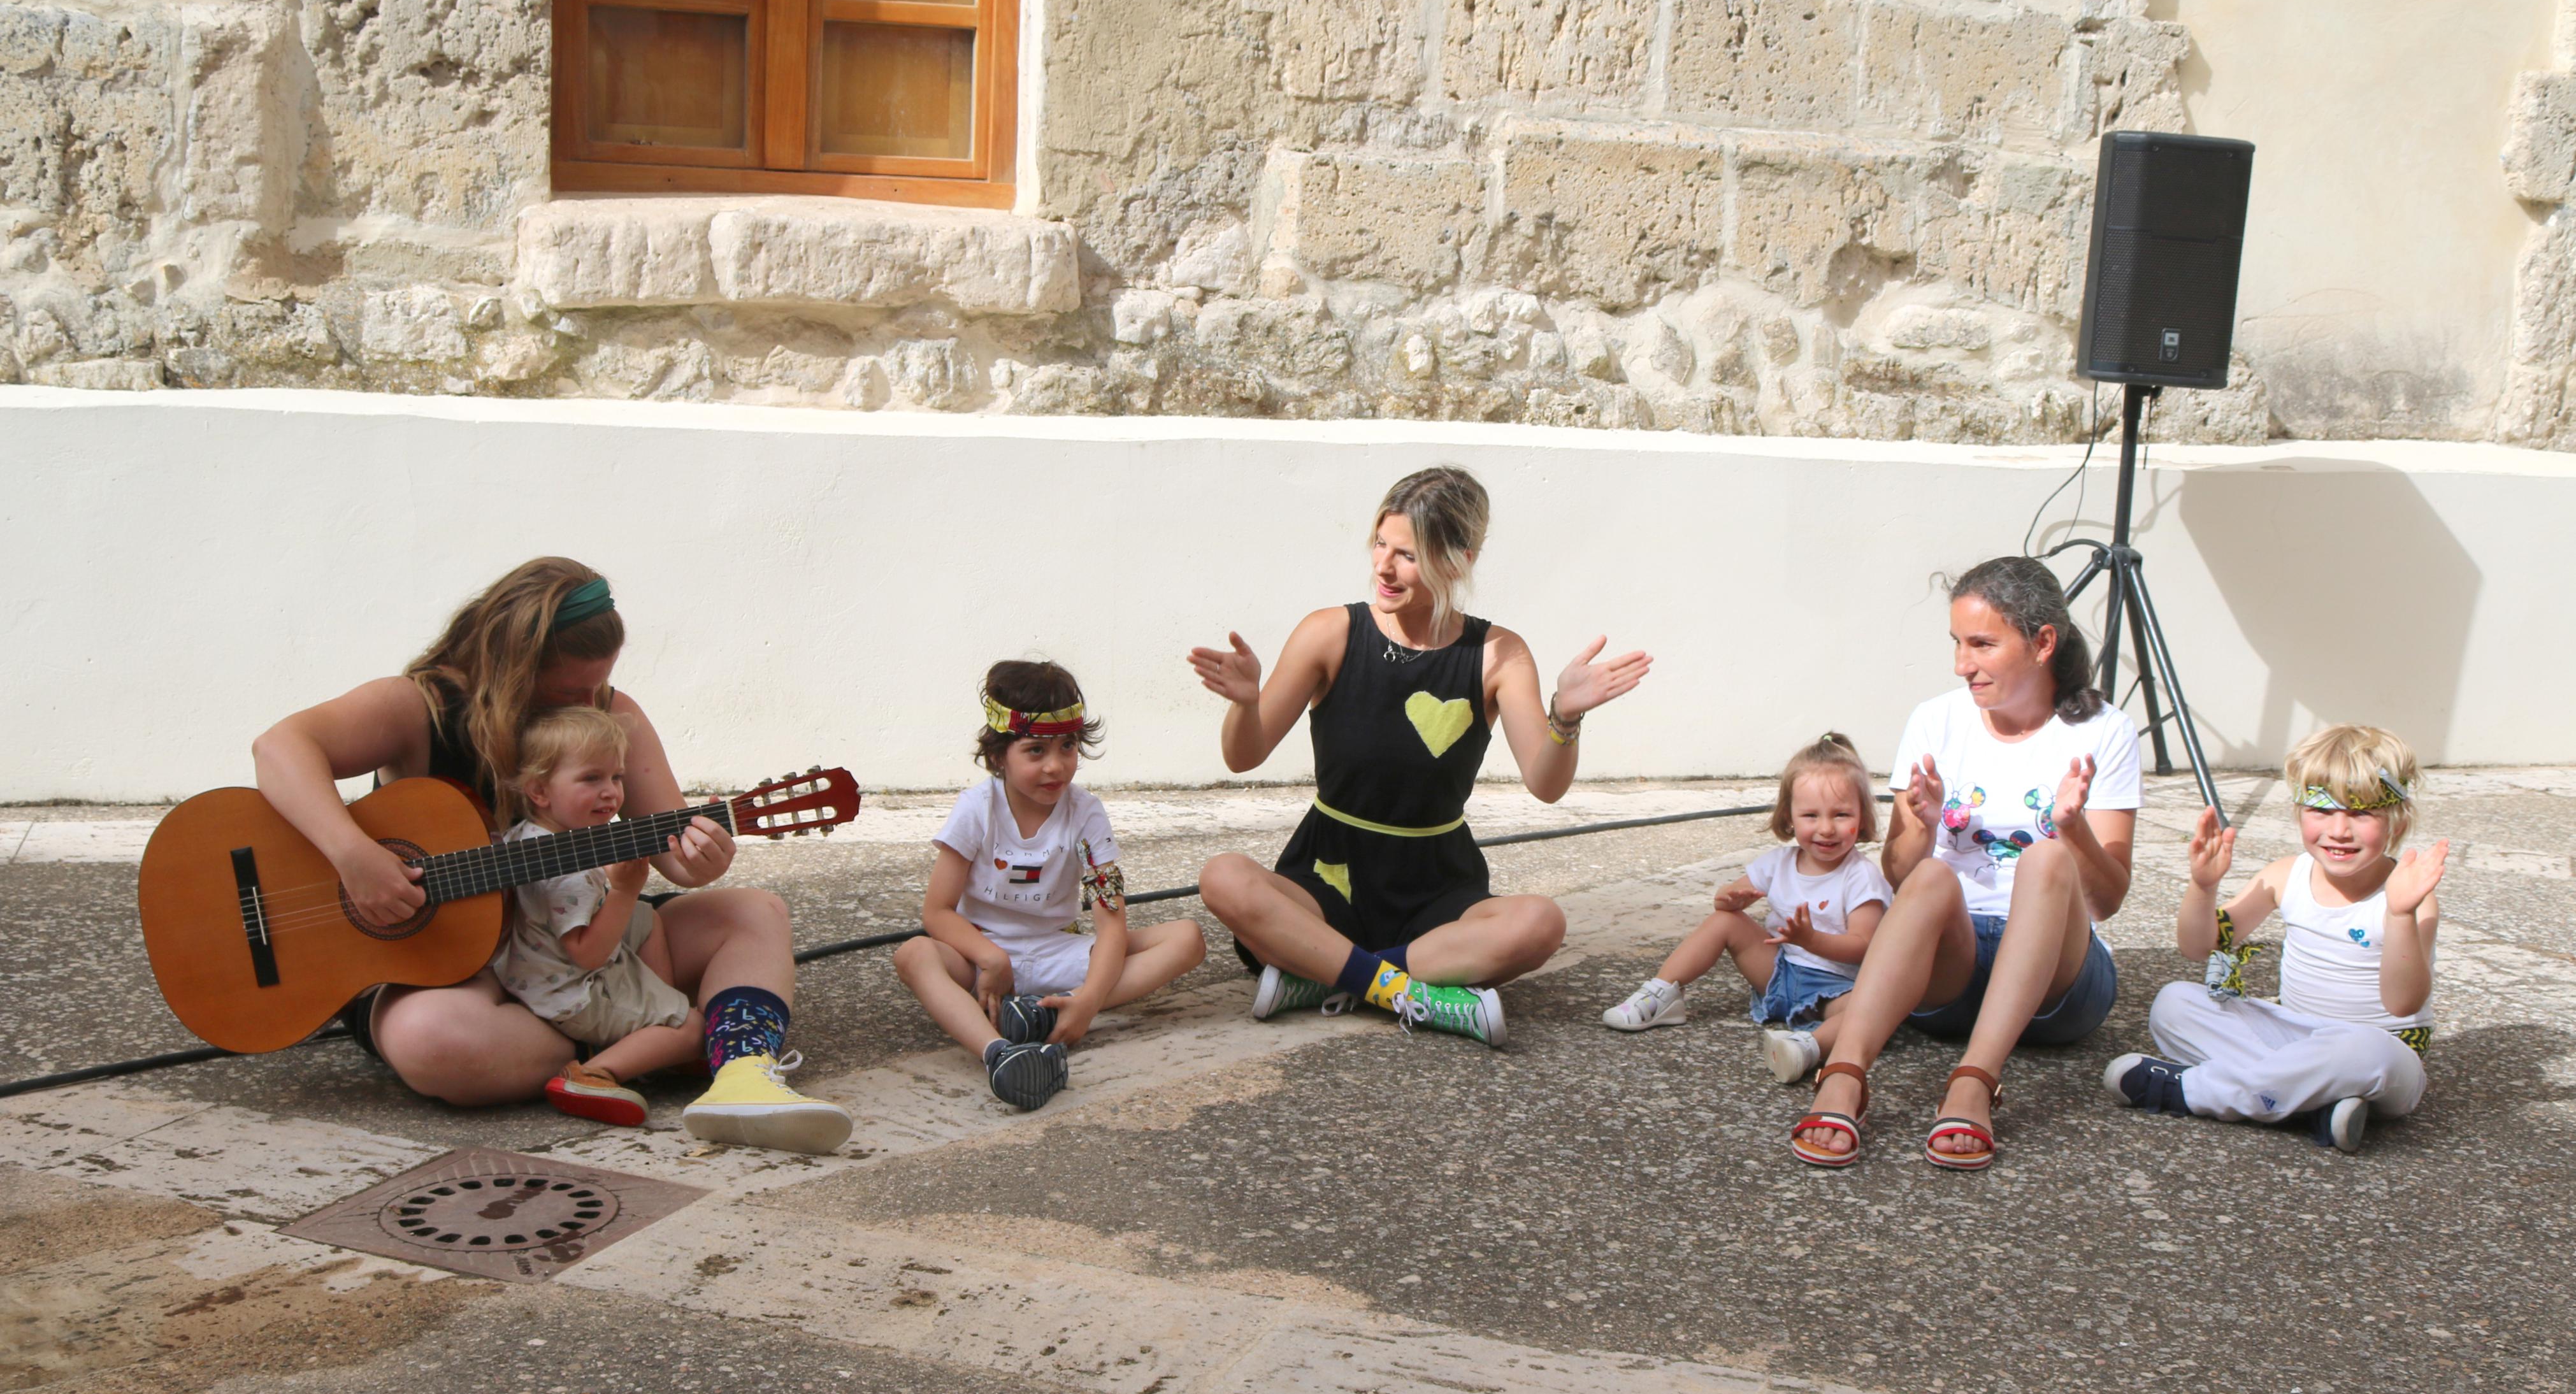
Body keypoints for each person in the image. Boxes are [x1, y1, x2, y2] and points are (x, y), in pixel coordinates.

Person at [251, 557, 851, 1153]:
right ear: (510, 664)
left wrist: (702, 859)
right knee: (428, 1038)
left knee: (756, 913)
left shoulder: (612, 712)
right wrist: (352, 855)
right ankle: (646, 1046)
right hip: (446, 973)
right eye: (569, 689)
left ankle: (739, 1074)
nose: (590, 700)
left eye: (598, 683)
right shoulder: (419, 706)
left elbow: (672, 856)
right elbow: (280, 747)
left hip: (579, 946)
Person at [1188, 466, 1651, 1047]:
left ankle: (1320, 977)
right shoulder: (1329, 632)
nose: (1383, 566)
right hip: (1327, 874)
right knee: (1222, 877)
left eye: (1406, 554)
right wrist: (1245, 703)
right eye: (1380, 544)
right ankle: (1410, 990)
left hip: (1437, 886)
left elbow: (1545, 783)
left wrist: (1566, 714)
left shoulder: (1498, 653)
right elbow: (1244, 755)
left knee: (1540, 923)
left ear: (1459, 559)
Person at [1787, 556, 2138, 1171]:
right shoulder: (1935, 719)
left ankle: (1973, 1082)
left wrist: (2073, 829)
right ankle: (1844, 1075)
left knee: (2048, 859)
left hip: (2059, 981)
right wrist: (1921, 825)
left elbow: (2105, 900)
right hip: (1946, 973)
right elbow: (1899, 874)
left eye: (1981, 644)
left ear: (2042, 643)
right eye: (1956, 643)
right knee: (1928, 875)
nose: (1961, 664)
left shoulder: (2103, 731)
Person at [2107, 724, 2443, 1153]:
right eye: (2321, 810)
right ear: (2298, 809)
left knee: (2365, 1050)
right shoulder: (2287, 873)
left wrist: (2399, 912)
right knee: (2173, 1003)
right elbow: (2197, 946)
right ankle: (2308, 1105)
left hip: (2382, 1055)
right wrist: (2203, 886)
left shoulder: (2409, 896)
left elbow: (2403, 1003)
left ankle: (2195, 1092)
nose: (2339, 830)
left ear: (2396, 817)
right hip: (2296, 1038)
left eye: (2360, 813)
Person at [892, 661, 1207, 1111]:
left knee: (1187, 938)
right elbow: (937, 912)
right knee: (914, 954)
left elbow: (1111, 925)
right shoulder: (976, 809)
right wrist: (988, 955)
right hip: (980, 956)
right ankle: (1000, 1052)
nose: (1055, 765)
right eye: (1035, 750)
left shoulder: (1085, 813)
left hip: (1057, 951)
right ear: (1000, 754)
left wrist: (1090, 1002)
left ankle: (1049, 1016)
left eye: (1067, 746)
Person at [1604, 733, 1890, 1062]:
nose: (1826, 828)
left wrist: (1812, 940)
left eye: (1841, 815)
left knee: (1871, 1011)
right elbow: (1727, 898)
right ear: (1789, 817)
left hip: (1835, 987)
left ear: (1863, 817)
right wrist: (1728, 900)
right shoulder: (1778, 863)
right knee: (1725, 922)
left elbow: (1864, 946)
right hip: (1777, 972)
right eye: (1811, 816)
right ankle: (1663, 992)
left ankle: (1806, 1048)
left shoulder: (1861, 876)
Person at [493, 706, 703, 1129]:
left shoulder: (531, 833)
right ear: (539, 790)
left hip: (535, 965)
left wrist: (628, 902)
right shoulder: (568, 874)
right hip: (571, 989)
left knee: (646, 918)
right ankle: (594, 1074)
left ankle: (650, 1026)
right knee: (696, 1028)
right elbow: (586, 955)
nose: (611, 792)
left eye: (616, 777)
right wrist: (623, 890)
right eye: (591, 778)